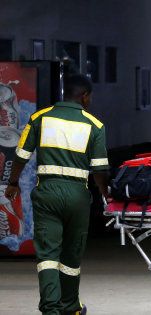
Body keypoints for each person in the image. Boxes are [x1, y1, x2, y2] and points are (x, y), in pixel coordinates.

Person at [4, 74, 110, 315]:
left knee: (48, 255)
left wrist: (12, 183)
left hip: (47, 193)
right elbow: (100, 169)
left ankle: (51, 309)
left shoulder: (39, 117)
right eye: (89, 97)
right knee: (72, 253)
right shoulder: (95, 125)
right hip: (77, 195)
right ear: (84, 96)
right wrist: (106, 195)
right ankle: (71, 307)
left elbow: (20, 155)